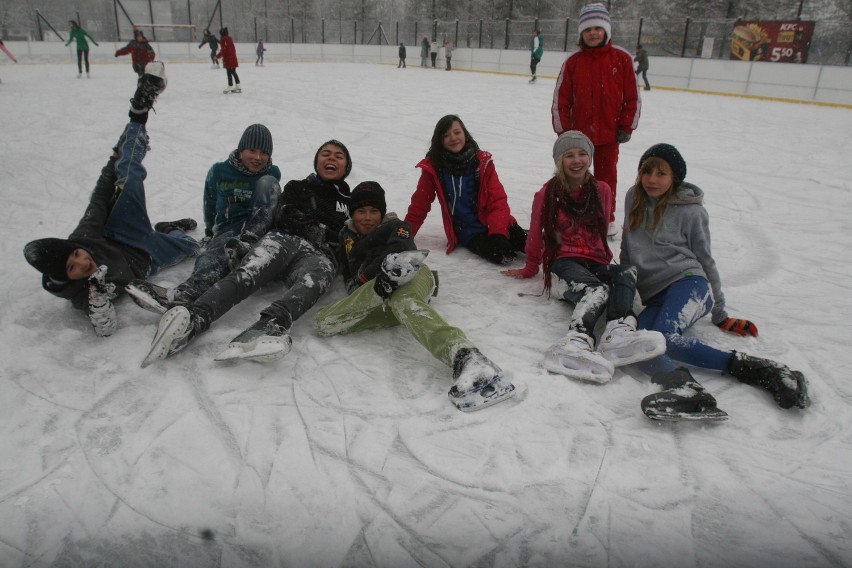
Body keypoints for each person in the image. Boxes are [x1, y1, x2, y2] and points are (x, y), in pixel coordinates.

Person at [621, 143, 810, 420]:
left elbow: (705, 259)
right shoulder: (633, 197)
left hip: (689, 282)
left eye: (661, 173)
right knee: (645, 345)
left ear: (675, 177)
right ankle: (688, 390)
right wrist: (626, 286)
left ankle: (767, 370)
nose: (652, 179)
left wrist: (720, 312)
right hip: (654, 292)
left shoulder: (691, 212)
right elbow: (627, 245)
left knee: (667, 338)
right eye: (647, 172)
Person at [23, 62, 199, 337]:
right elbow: (104, 327)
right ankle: (168, 228)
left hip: (123, 230)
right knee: (192, 247)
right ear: (65, 278)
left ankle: (138, 115)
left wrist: (113, 161)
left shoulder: (83, 236)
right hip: (148, 257)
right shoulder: (79, 293)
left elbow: (100, 196)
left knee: (126, 175)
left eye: (77, 255)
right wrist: (98, 299)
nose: (82, 262)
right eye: (72, 267)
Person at [140, 140, 353, 366]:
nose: (331, 158)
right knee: (247, 273)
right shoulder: (299, 187)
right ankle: (196, 315)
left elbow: (354, 235)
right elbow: (283, 213)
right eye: (326, 154)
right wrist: (311, 225)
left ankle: (270, 325)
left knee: (312, 283)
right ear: (317, 161)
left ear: (346, 166)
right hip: (284, 239)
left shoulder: (352, 202)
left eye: (339, 156)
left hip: (319, 255)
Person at [315, 182, 516, 411]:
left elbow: (403, 247)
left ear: (382, 214)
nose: (368, 217)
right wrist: (364, 285)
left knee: (404, 301)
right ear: (352, 214)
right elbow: (347, 273)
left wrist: (381, 275)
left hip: (411, 274)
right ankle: (387, 290)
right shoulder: (345, 236)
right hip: (374, 292)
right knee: (325, 322)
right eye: (361, 211)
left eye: (374, 211)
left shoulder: (396, 226)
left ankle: (467, 358)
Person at [503, 131, 664, 383]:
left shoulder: (602, 189)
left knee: (626, 272)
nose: (577, 160)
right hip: (563, 263)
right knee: (597, 289)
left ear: (589, 157)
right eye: (569, 155)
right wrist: (531, 266)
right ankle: (575, 341)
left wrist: (609, 263)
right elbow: (535, 233)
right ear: (559, 160)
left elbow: (601, 231)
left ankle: (617, 333)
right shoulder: (547, 194)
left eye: (582, 154)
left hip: (595, 261)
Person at [125, 124, 282, 314]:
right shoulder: (220, 171)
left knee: (268, 184)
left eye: (264, 153)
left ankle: (246, 247)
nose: (258, 158)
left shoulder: (272, 173)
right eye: (252, 150)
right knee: (212, 255)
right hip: (230, 227)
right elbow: (210, 200)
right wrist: (210, 230)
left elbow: (270, 203)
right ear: (241, 149)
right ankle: (184, 294)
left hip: (258, 229)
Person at [551, 2, 639, 231]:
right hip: (578, 137)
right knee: (573, 174)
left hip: (609, 135)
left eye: (597, 28)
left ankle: (604, 217)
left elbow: (632, 97)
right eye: (588, 29)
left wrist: (626, 126)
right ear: (581, 33)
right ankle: (573, 213)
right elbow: (561, 100)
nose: (592, 33)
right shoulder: (573, 62)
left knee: (606, 178)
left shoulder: (622, 59)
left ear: (606, 31)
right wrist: (565, 133)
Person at [405, 114, 527, 265]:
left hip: (498, 222)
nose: (453, 138)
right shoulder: (434, 167)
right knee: (502, 256)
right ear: (440, 140)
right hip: (469, 232)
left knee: (534, 248)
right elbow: (420, 204)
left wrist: (498, 233)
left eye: (457, 132)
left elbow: (498, 201)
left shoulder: (482, 163)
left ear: (465, 134)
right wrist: (405, 234)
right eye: (446, 135)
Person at [216, 27, 241, 93]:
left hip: (228, 59)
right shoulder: (229, 39)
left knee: (229, 73)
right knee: (233, 72)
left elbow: (224, 50)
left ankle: (230, 86)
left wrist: (217, 56)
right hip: (232, 58)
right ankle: (238, 86)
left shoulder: (223, 40)